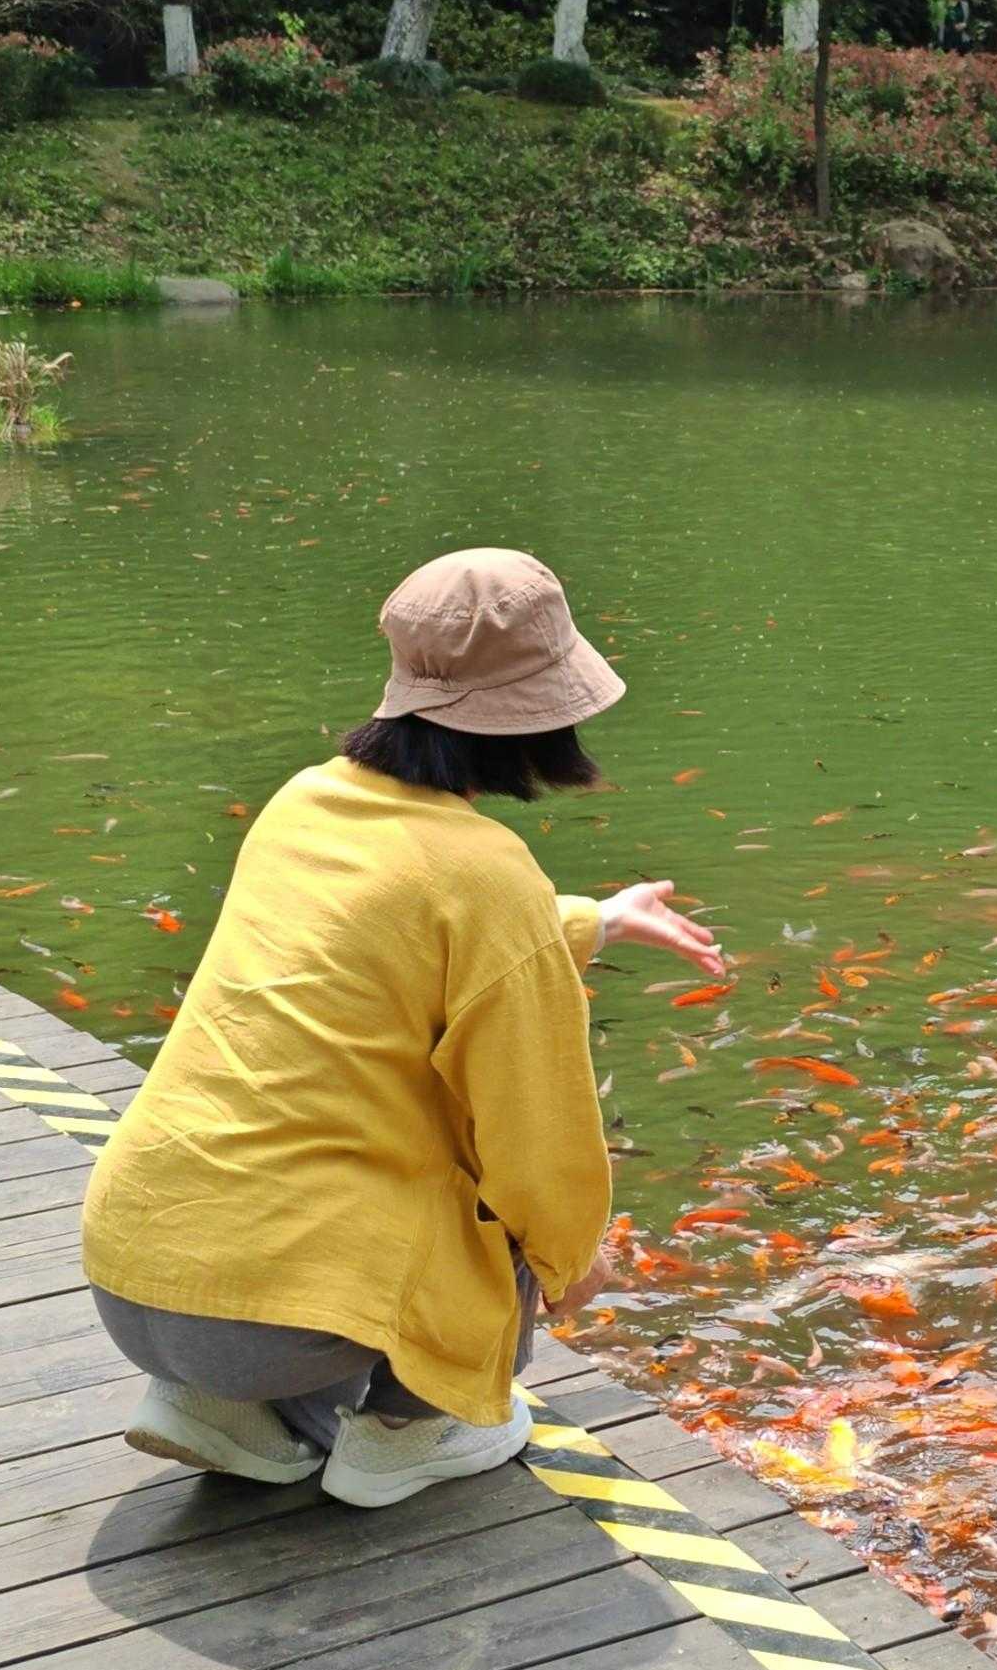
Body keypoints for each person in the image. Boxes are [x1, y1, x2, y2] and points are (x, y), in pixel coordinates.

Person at [80, 547, 725, 1509]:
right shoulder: (487, 870)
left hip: (134, 1270)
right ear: (546, 714)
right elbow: (534, 1134)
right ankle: (411, 1428)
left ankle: (215, 1409)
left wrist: (592, 918)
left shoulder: (305, 802)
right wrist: (567, 1257)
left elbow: (397, 928)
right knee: (492, 1189)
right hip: (274, 1319)